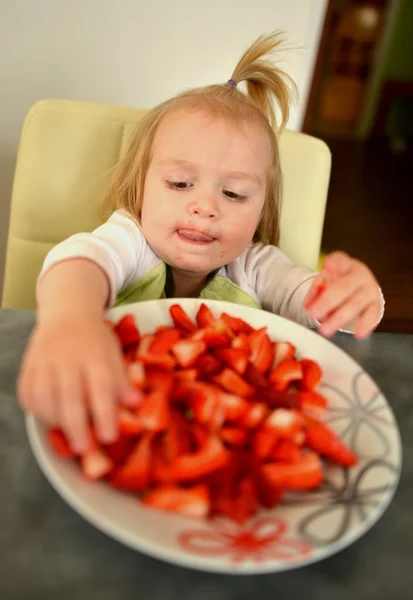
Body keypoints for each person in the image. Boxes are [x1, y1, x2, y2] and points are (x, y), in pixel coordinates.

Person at [17, 32, 384, 454]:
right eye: (179, 183)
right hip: (119, 408)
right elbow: (80, 261)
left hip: (223, 438)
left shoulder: (257, 265)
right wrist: (71, 321)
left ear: (262, 209)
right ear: (141, 188)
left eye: (233, 194)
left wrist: (349, 298)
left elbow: (311, 302)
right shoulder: (131, 239)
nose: (205, 207)